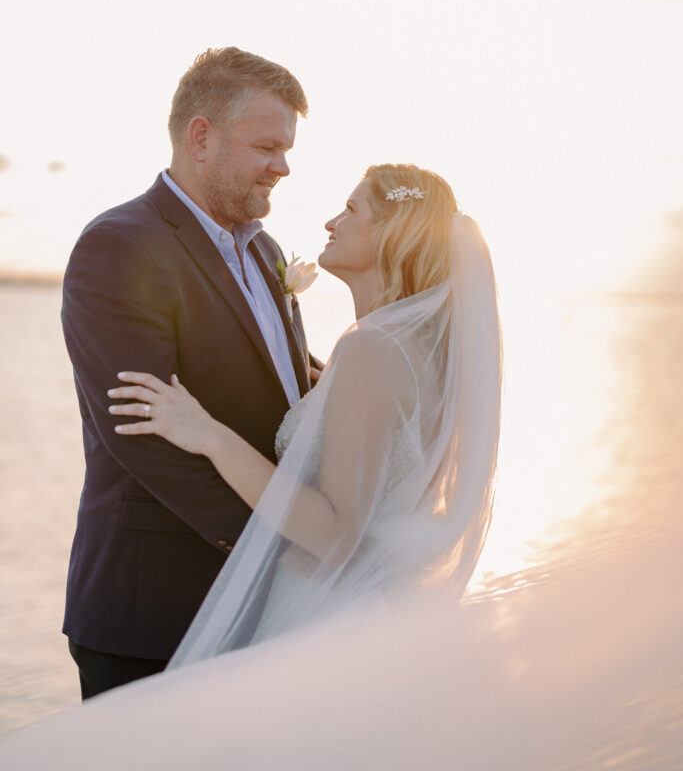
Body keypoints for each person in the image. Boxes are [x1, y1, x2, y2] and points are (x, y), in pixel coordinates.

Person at [107, 163, 503, 665]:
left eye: (352, 209)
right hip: (379, 615)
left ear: (391, 236)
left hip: (322, 619)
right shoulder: (422, 351)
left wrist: (210, 436)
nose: (331, 222)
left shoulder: (371, 350)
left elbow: (335, 535)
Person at [61, 46, 312, 698]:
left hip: (264, 606)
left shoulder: (266, 252)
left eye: (286, 150)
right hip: (156, 608)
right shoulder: (119, 245)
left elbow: (275, 394)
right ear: (201, 137)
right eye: (266, 147)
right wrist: (288, 543)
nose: (283, 167)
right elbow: (140, 433)